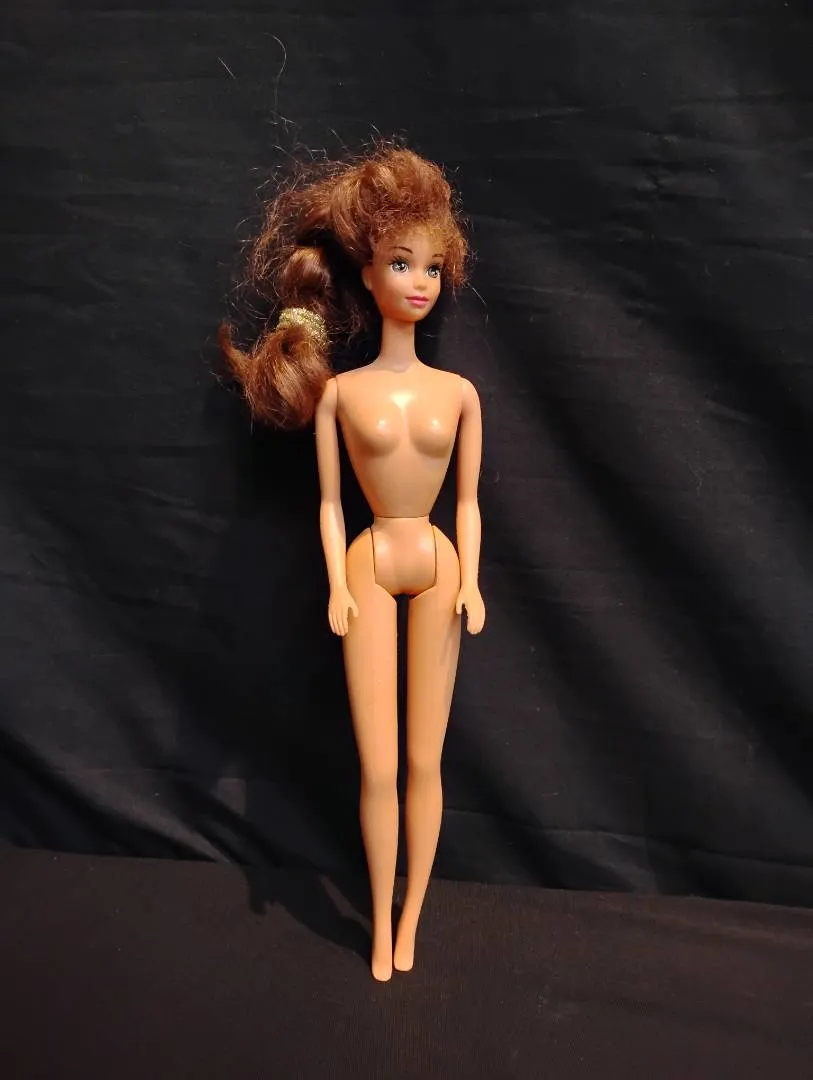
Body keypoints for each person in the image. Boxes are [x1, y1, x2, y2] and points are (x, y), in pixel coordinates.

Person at [221, 145, 485, 981]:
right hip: (368, 563)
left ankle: (410, 920)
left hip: (437, 563)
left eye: (431, 267)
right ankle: (376, 922)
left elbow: (468, 503)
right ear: (366, 275)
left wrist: (474, 581)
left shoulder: (458, 394)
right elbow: (331, 503)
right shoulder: (341, 393)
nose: (419, 281)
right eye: (400, 263)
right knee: (377, 764)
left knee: (423, 761)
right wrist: (337, 582)